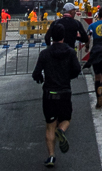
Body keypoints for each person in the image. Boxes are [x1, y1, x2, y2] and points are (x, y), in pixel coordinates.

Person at [31, 24, 82, 169]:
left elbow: (36, 73)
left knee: (49, 126)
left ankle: (51, 156)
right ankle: (62, 130)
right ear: (63, 36)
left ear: (52, 37)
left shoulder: (45, 53)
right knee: (66, 119)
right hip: (64, 91)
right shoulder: (71, 52)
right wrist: (68, 77)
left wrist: (40, 78)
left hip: (49, 93)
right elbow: (77, 70)